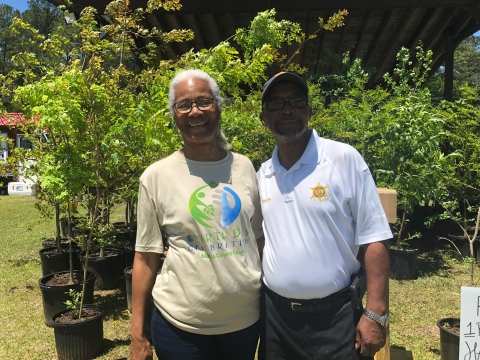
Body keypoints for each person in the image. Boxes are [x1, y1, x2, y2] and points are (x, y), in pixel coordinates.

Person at [257, 72, 392, 360]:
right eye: (276, 104)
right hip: (276, 321)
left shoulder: (343, 159)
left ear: (309, 110)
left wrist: (376, 312)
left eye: (296, 101)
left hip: (337, 317)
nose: (287, 109)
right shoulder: (262, 174)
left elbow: (375, 237)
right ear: (263, 118)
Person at [130, 69, 264, 360]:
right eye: (184, 104)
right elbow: (145, 257)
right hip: (180, 325)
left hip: (244, 323)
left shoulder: (244, 167)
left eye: (204, 101)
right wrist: (137, 334)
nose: (195, 111)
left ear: (218, 107)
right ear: (174, 113)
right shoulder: (156, 176)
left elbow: (258, 240)